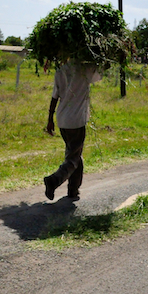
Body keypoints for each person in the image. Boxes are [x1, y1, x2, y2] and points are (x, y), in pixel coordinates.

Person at [43, 61, 101, 201]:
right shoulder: (85, 69)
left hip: (62, 119)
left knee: (75, 154)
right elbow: (100, 73)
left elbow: (54, 96)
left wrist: (50, 119)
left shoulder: (60, 70)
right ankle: (54, 180)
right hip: (76, 121)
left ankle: (73, 191)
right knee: (73, 158)